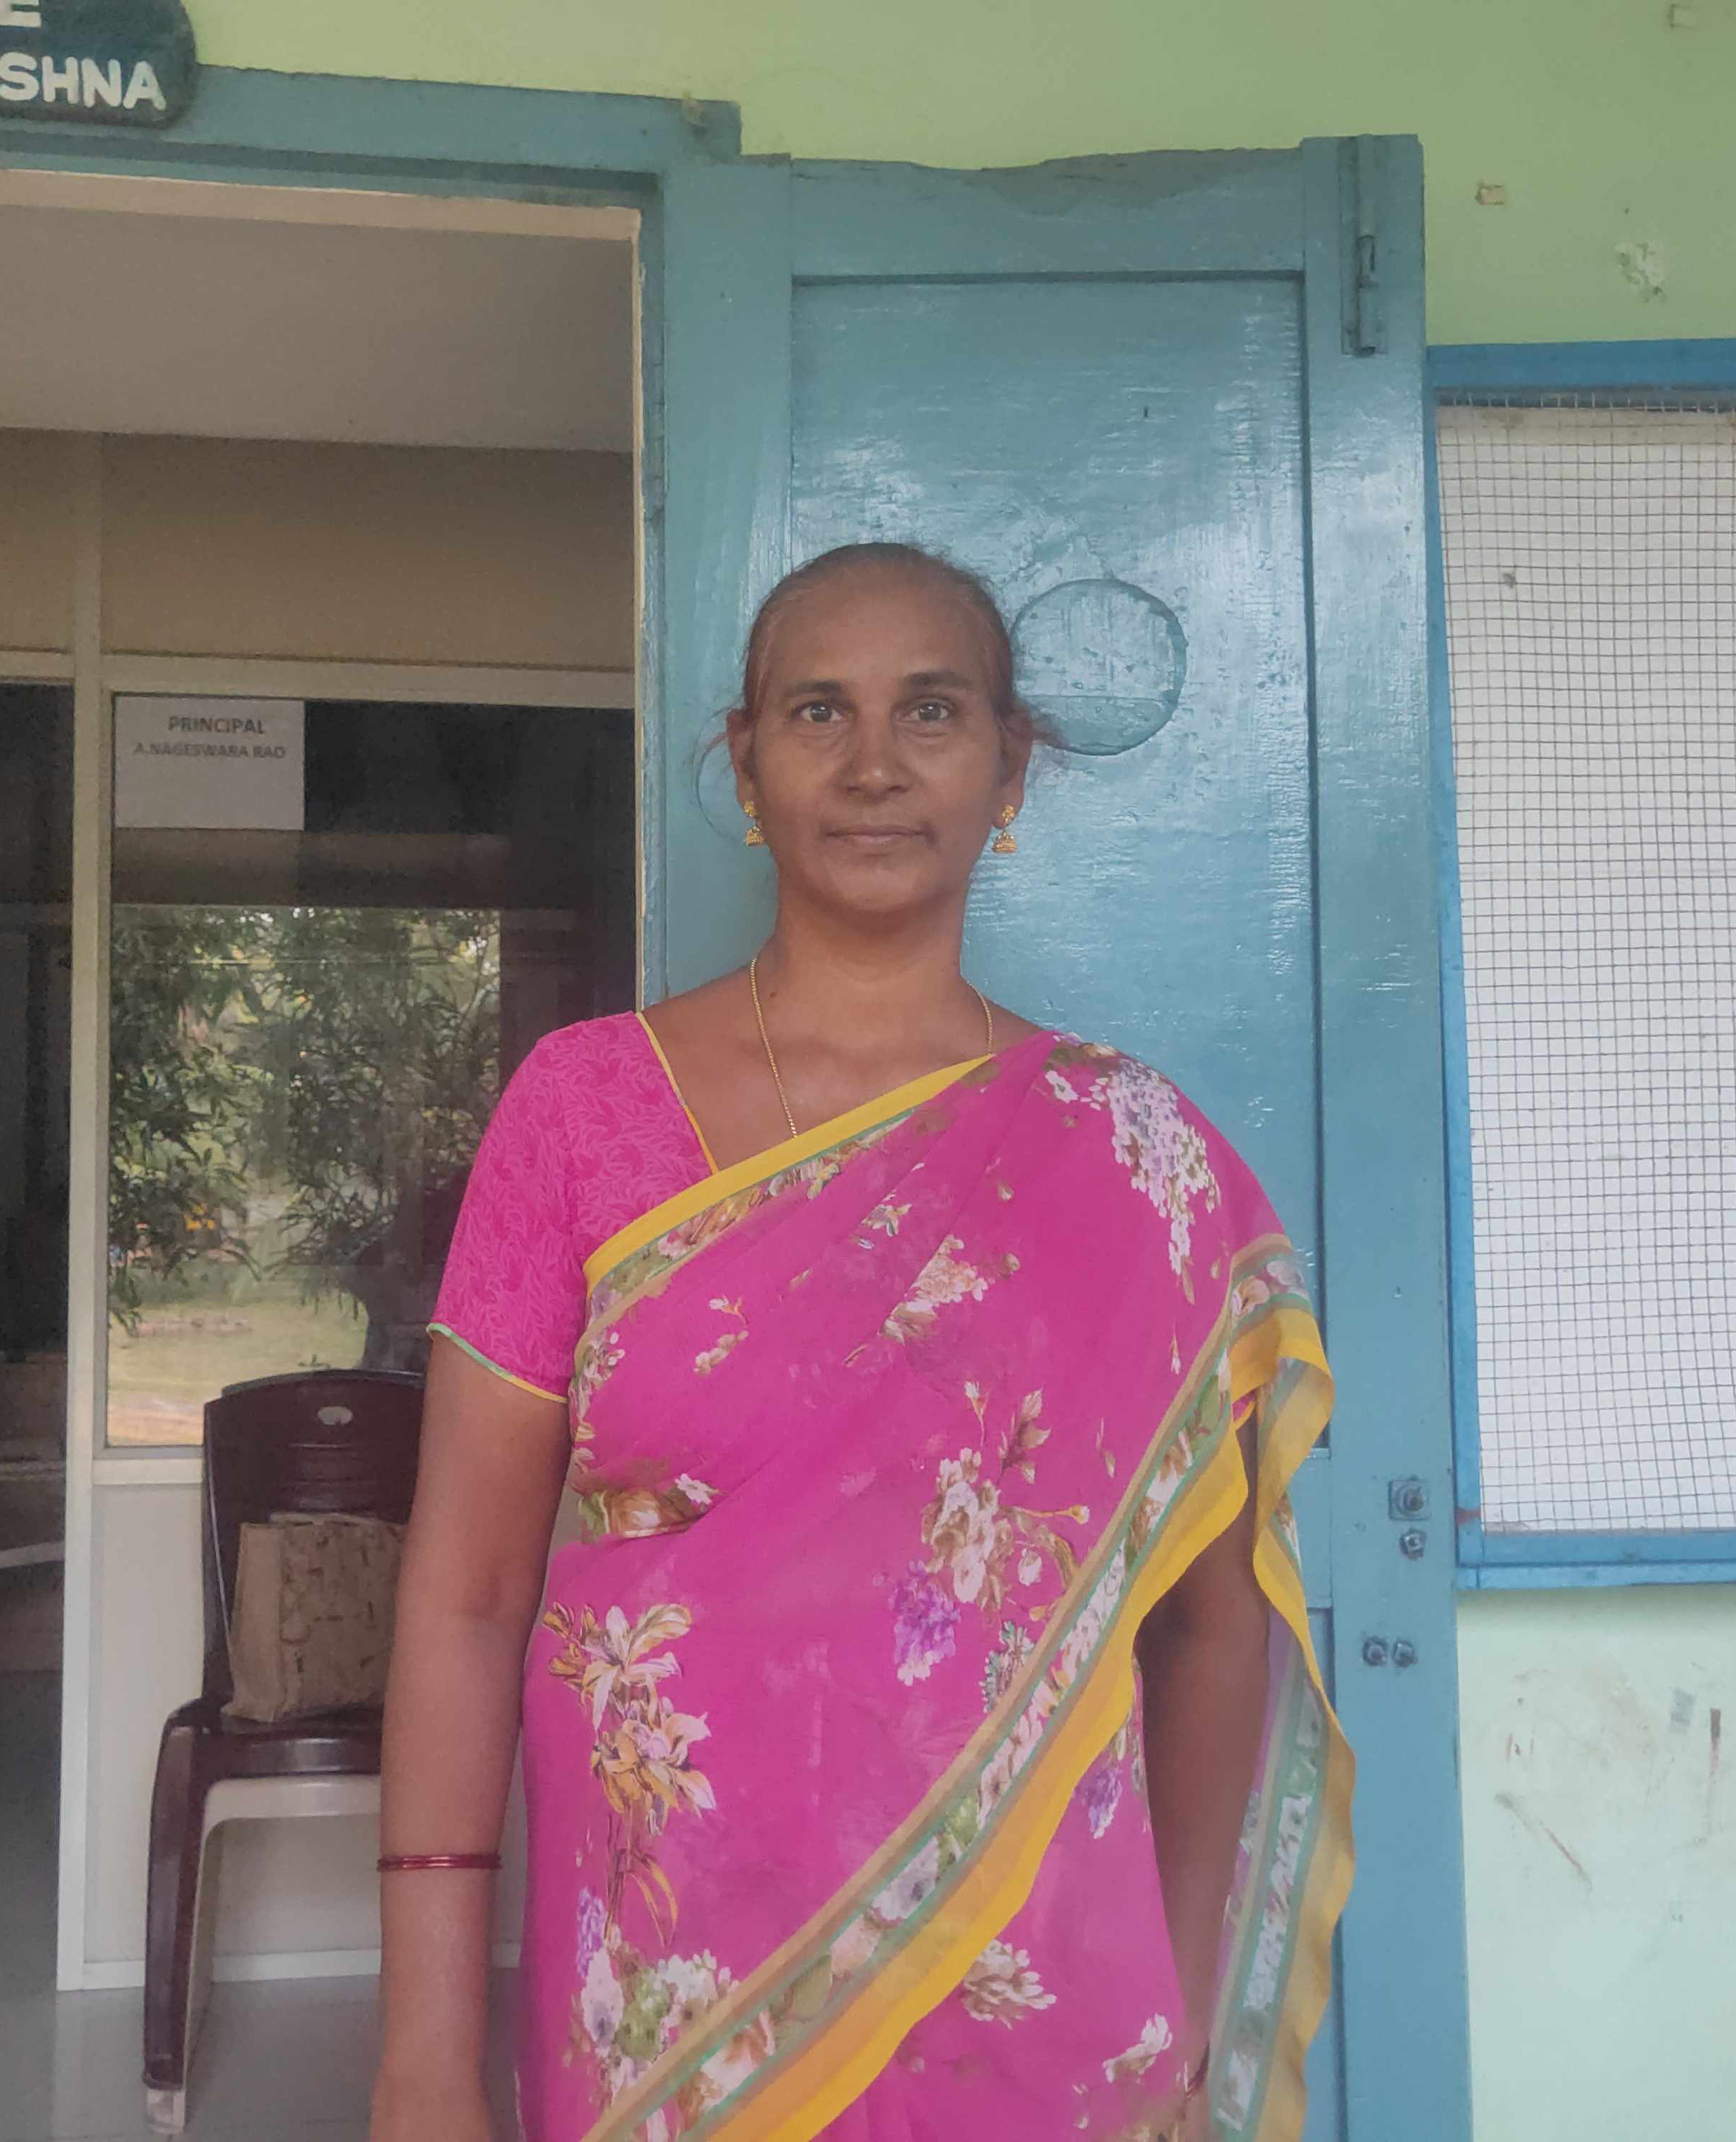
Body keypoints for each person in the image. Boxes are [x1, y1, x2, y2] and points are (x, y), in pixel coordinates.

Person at [370, 543, 1349, 2142]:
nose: (874, 762)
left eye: (932, 711)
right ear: (746, 762)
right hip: (670, 2004)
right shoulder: (583, 1113)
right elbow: (465, 1601)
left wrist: (1175, 2014)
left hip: (1037, 1999)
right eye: (817, 710)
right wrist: (422, 2058)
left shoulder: (1132, 1154)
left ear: (1008, 767)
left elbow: (1215, 1631)